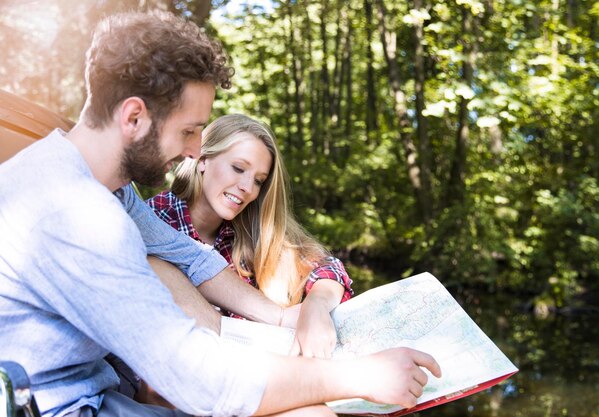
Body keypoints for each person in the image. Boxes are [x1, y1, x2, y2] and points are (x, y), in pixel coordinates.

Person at [0, 10, 441, 417]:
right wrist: (363, 376)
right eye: (189, 130)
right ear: (134, 116)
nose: (195, 150)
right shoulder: (78, 217)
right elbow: (200, 382)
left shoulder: (107, 187)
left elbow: (189, 255)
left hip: (101, 391)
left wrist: (287, 317)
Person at [148, 114, 352, 358]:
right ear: (203, 160)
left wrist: (316, 305)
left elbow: (329, 267)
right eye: (238, 168)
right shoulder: (154, 221)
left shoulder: (247, 229)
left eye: (258, 181)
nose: (247, 188)